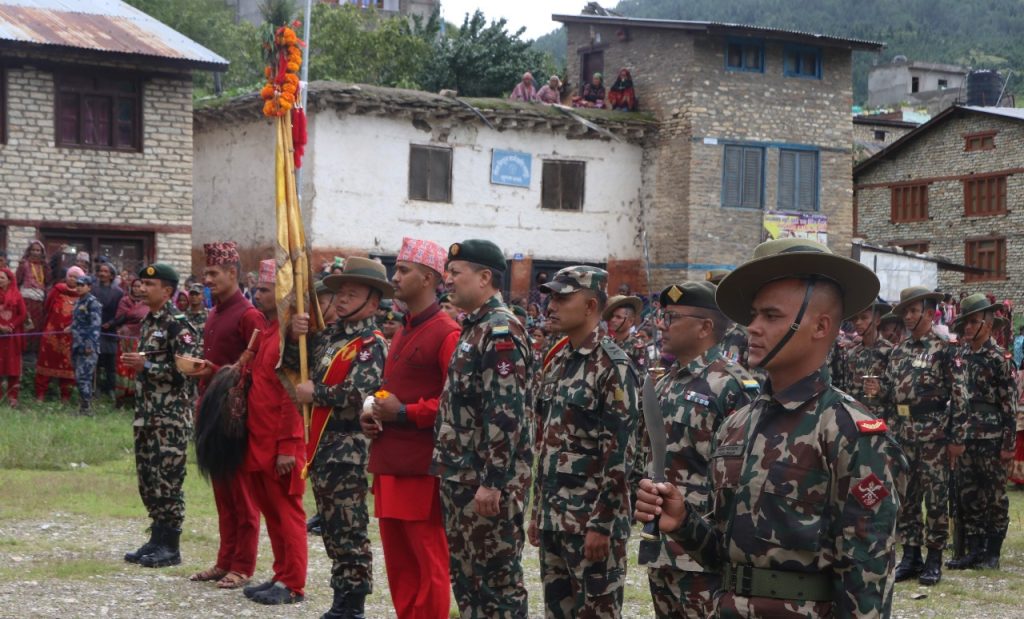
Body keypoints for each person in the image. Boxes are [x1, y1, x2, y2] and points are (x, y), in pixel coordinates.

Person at [635, 238, 906, 618]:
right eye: (754, 315)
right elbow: (725, 557)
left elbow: (868, 580)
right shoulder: (738, 425)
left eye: (771, 316)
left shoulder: (849, 431)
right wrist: (683, 522)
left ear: (820, 326)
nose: (753, 328)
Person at [637, 281, 758, 618]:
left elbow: (744, 478)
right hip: (663, 546)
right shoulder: (665, 383)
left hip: (704, 552)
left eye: (672, 316)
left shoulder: (733, 385)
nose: (661, 324)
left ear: (705, 326)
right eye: (662, 315)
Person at [528, 266, 639, 618]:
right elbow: (547, 444)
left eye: (562, 297)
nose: (551, 305)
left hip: (591, 523)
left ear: (591, 305)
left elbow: (620, 454)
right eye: (551, 297)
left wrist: (603, 523)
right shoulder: (558, 361)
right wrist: (537, 512)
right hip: (554, 519)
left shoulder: (612, 366)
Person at [284, 257, 390, 618]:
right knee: (331, 528)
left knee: (350, 529)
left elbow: (364, 391)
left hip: (349, 449)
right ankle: (340, 597)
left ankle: (353, 602)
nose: (341, 300)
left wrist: (319, 395)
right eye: (340, 293)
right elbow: (296, 367)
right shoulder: (330, 337)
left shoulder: (371, 343)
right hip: (323, 446)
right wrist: (292, 334)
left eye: (352, 293)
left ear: (373, 302)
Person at [433, 240, 534, 617]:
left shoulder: (499, 330)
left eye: (456, 273)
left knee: (497, 584)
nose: (448, 280)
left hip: (487, 484)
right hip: (463, 478)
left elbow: (506, 412)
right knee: (468, 580)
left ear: (485, 277)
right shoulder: (474, 328)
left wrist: (493, 480)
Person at [360, 237, 459, 619]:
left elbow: (454, 405)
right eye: (395, 268)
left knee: (427, 561)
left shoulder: (446, 332)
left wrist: (404, 413)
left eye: (403, 270)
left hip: (422, 466)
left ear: (429, 278)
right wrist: (376, 413)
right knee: (399, 563)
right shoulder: (402, 329)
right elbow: (395, 394)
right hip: (390, 461)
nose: (394, 277)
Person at [188, 242, 266, 590]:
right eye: (205, 274)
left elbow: (255, 371)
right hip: (212, 412)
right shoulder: (215, 311)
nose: (207, 280)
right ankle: (224, 561)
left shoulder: (249, 315)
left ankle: (243, 565)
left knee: (242, 496)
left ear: (233, 273)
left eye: (213, 274)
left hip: (236, 416)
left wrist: (213, 371)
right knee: (222, 492)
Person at [869, 286, 954, 586]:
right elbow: (892, 395)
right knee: (907, 497)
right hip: (904, 434)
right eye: (905, 311)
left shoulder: (943, 350)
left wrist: (953, 437)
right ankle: (911, 555)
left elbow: (958, 398)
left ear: (929, 315)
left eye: (913, 311)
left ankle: (934, 558)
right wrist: (879, 394)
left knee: (934, 498)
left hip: (933, 435)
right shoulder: (898, 352)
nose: (907, 316)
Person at [121, 263, 200, 569]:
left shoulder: (178, 326)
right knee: (148, 478)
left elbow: (188, 372)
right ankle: (156, 537)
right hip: (147, 414)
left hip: (170, 418)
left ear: (167, 291)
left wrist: (148, 368)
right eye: (140, 283)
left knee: (168, 480)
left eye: (148, 285)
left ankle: (171, 546)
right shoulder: (149, 322)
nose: (141, 288)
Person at [237, 260, 307, 605]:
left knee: (287, 511)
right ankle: (281, 574)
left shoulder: (288, 338)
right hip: (259, 439)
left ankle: (293, 582)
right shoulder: (266, 331)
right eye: (258, 288)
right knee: (271, 510)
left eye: (265, 289)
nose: (257, 294)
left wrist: (289, 446)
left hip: (281, 443)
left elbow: (291, 394)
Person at [946, 294, 1017, 571]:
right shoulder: (961, 355)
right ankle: (974, 550)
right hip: (965, 436)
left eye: (973, 321)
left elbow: (1009, 406)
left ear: (987, 324)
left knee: (995, 495)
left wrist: (1008, 444)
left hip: (992, 437)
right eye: (964, 322)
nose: (966, 327)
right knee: (968, 494)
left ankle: (993, 551)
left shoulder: (999, 358)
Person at [839, 300, 893, 420]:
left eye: (864, 318)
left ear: (877, 321)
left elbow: (898, 389)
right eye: (855, 319)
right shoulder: (852, 352)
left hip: (878, 417)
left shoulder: (889, 351)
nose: (858, 322)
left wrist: (880, 388)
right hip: (854, 415)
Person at [35, 266, 82, 401]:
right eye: (70, 276)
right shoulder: (57, 290)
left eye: (76, 277)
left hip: (70, 337)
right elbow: (47, 307)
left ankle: (65, 397)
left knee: (68, 366)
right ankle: (40, 395)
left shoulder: (82, 295)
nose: (72, 279)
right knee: (46, 362)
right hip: (52, 334)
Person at [112, 279, 149, 407]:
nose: (137, 289)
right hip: (125, 341)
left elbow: (146, 319)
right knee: (123, 366)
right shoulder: (125, 301)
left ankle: (135, 399)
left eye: (140, 286)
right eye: (134, 286)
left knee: (137, 367)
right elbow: (118, 319)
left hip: (141, 340)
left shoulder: (148, 303)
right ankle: (120, 399)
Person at [70, 274, 102, 416]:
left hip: (88, 346)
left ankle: (87, 408)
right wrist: (70, 328)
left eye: (82, 285)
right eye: (77, 285)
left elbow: (95, 326)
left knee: (84, 377)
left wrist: (89, 345)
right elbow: (79, 321)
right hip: (77, 344)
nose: (78, 287)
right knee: (78, 376)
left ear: (89, 287)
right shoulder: (78, 302)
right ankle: (83, 406)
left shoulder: (92, 303)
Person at [93, 261, 124, 399]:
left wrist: (111, 323)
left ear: (112, 275)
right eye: (101, 271)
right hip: (96, 330)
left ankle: (111, 388)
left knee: (110, 363)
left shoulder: (119, 292)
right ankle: (98, 387)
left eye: (106, 272)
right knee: (98, 362)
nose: (102, 274)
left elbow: (122, 312)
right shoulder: (93, 289)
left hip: (110, 331)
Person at [16, 240, 50, 353]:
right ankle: (22, 350)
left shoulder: (44, 266)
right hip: (25, 299)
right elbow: (17, 281)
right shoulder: (24, 264)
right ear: (29, 251)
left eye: (38, 250)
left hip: (39, 300)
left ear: (42, 252)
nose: (35, 253)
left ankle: (33, 352)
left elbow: (48, 281)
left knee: (37, 326)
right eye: (33, 250)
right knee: (26, 324)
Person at [0, 267, 26, 406]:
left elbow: (22, 314)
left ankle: (12, 396)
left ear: (9, 280)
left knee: (12, 366)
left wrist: (10, 326)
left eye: (2, 278)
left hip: (12, 335)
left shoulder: (17, 295)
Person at [603, 294, 646, 371]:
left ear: (630, 321)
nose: (613, 320)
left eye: (618, 317)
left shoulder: (637, 347)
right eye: (612, 316)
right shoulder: (608, 343)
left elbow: (641, 377)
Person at [185, 283, 208, 348]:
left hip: (203, 354)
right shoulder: (182, 316)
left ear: (203, 296)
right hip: (186, 354)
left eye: (197, 294)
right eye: (191, 294)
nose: (194, 297)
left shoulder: (209, 315)